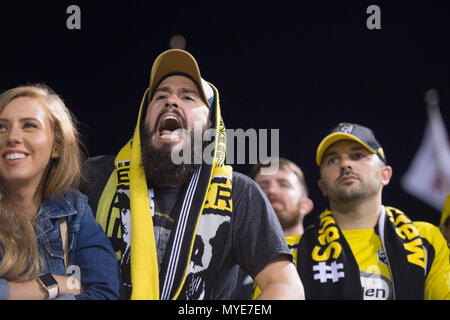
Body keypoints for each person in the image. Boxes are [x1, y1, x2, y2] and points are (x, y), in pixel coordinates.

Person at [80, 49, 304, 300]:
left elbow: (285, 286)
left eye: (188, 97)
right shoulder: (96, 175)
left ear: (211, 124)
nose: (171, 102)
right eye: (160, 96)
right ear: (143, 119)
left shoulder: (239, 192)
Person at [297, 122, 450, 300]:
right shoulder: (294, 250)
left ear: (385, 175)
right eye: (333, 160)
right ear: (322, 186)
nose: (345, 164)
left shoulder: (427, 239)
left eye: (358, 155)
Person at [0, 85, 120, 300]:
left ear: (56, 147)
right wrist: (53, 285)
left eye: (29, 125)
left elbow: (104, 293)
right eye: (1, 127)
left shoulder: (74, 210)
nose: (12, 137)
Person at [235, 157, 314, 299]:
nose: (271, 191)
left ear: (305, 205)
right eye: (262, 187)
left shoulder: (328, 255)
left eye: (283, 184)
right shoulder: (231, 264)